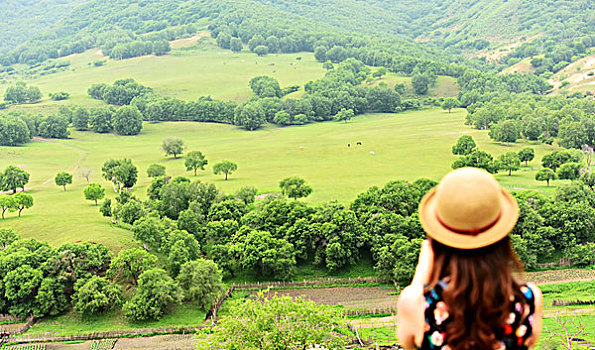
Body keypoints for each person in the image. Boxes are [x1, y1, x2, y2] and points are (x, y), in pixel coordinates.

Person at [397, 167, 543, 350]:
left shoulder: (416, 303)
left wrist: (423, 269)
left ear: (437, 242)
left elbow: (409, 345)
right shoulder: (528, 300)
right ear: (502, 239)